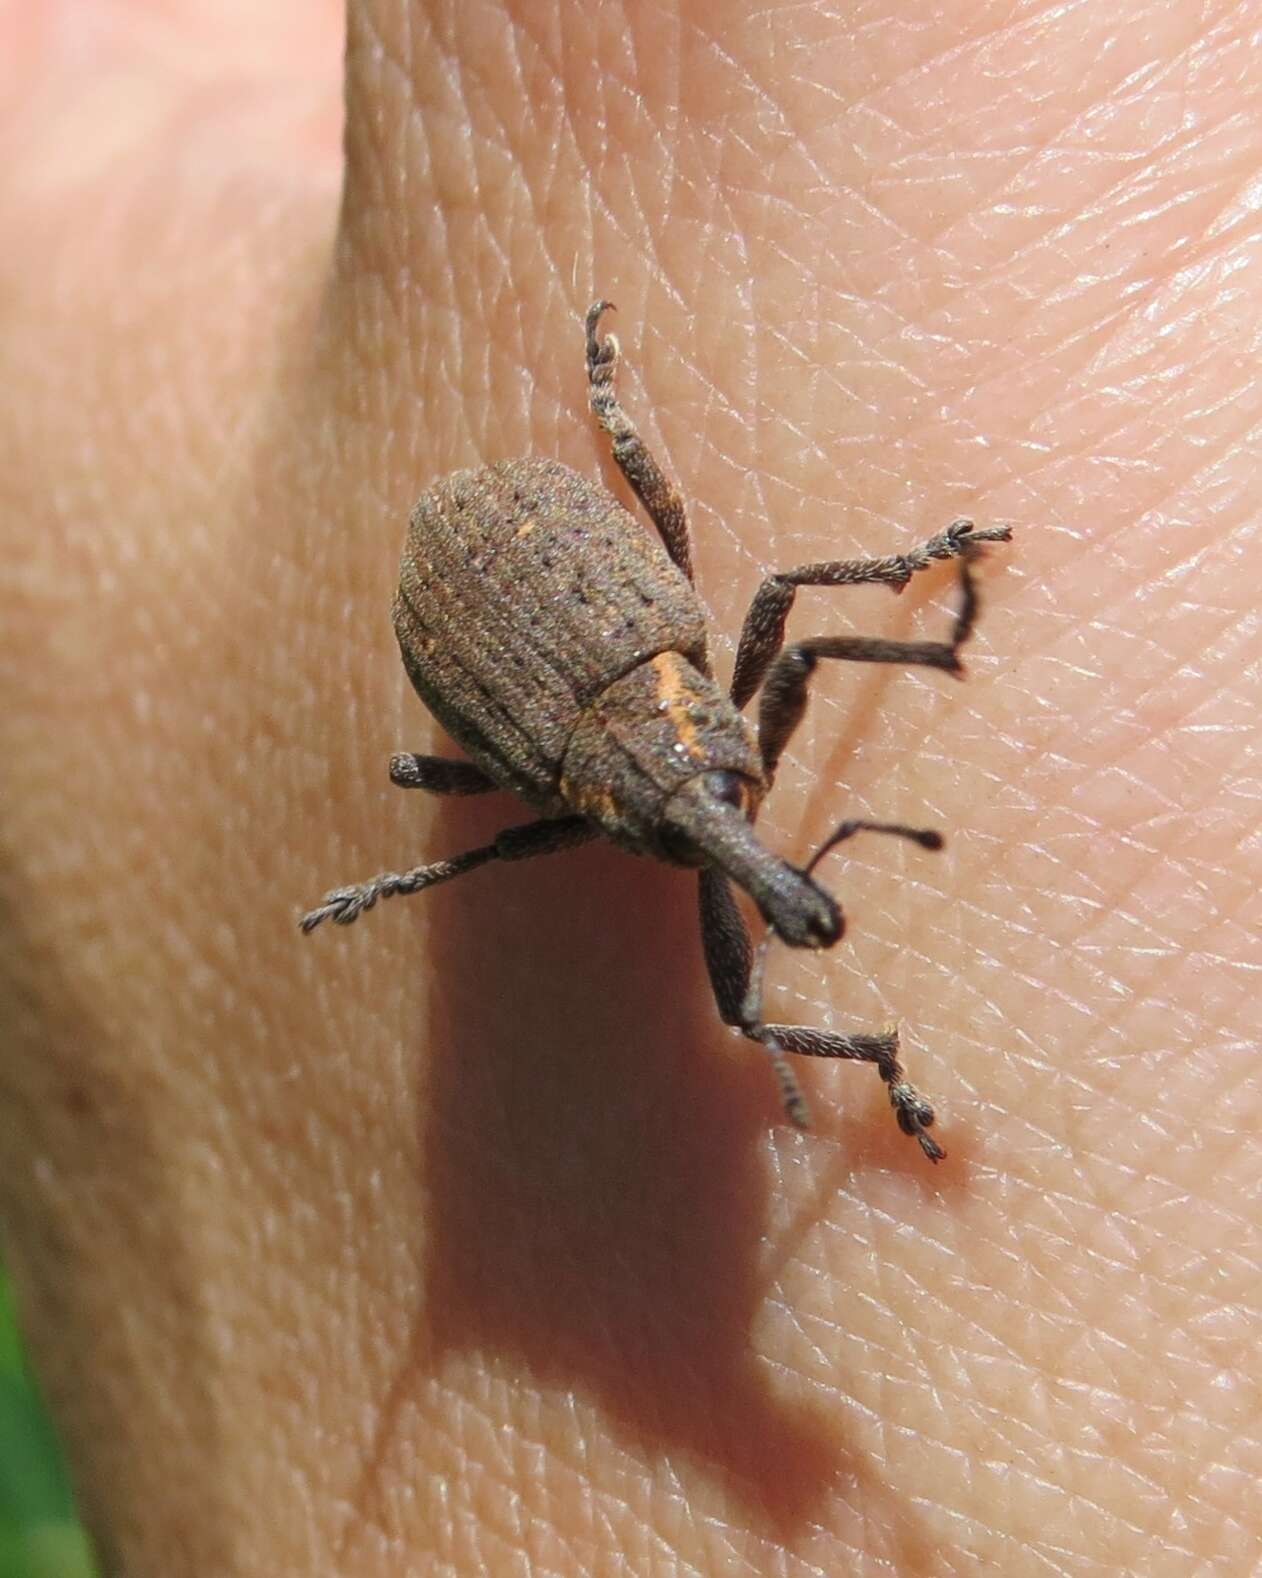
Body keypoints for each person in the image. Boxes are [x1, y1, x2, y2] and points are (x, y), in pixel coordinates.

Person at [1, 3, 1256, 1572]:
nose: (764, 864)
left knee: (766, 674)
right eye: (710, 836)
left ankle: (838, 618)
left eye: (726, 829)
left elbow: (790, 625)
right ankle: (648, 476)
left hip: (564, 641)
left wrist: (915, 626)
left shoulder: (711, 752)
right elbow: (539, 814)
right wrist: (406, 870)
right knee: (553, 819)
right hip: (511, 609)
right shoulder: (594, 793)